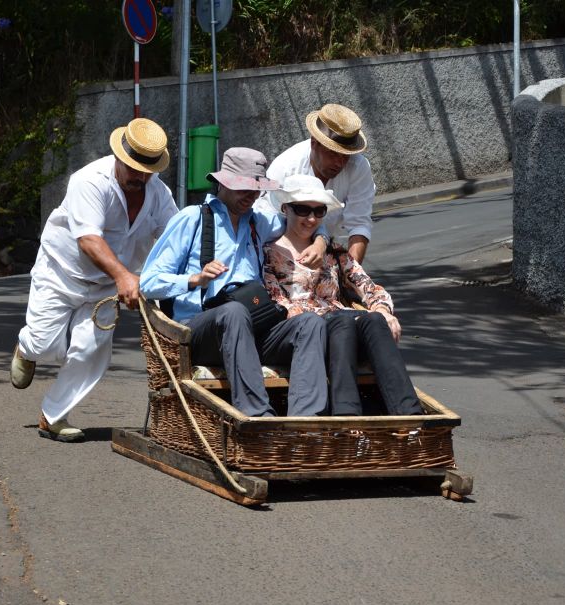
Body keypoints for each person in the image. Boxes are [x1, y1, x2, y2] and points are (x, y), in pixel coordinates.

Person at [10, 118, 179, 442]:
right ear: (119, 157)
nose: (141, 177)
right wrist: (124, 276)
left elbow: (174, 235)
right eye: (134, 168)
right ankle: (27, 348)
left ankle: (53, 416)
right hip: (61, 273)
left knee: (90, 352)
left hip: (104, 289)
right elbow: (88, 240)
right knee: (46, 343)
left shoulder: (158, 193)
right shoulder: (89, 181)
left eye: (148, 171)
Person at [140, 148, 330, 417]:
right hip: (201, 331)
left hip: (253, 328)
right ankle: (257, 416)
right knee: (233, 312)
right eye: (243, 188)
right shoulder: (192, 219)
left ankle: (304, 420)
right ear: (223, 183)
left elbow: (305, 219)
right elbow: (148, 283)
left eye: (256, 189)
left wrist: (321, 240)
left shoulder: (260, 222)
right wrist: (194, 279)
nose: (251, 196)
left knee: (310, 322)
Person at [262, 174, 423, 417]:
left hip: (345, 330)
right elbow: (279, 303)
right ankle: (346, 417)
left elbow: (369, 287)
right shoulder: (269, 254)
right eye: (303, 210)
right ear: (286, 208)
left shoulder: (334, 253)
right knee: (345, 320)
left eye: (319, 211)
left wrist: (382, 309)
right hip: (307, 334)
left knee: (374, 319)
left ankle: (410, 417)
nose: (312, 218)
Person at [255, 103, 376, 264]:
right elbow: (267, 223)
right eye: (333, 153)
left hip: (327, 251)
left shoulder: (358, 166)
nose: (339, 163)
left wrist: (351, 273)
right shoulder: (285, 167)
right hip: (282, 255)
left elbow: (359, 223)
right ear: (314, 143)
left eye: (345, 155)